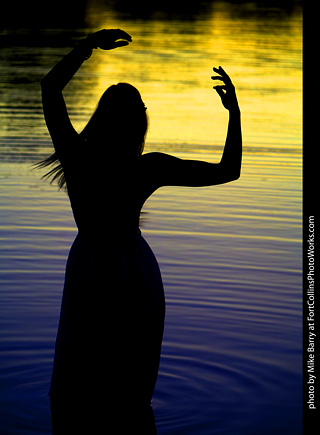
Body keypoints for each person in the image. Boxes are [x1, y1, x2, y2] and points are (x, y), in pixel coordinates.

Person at [38, 29, 242, 434]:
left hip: (91, 263)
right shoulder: (146, 168)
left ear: (100, 117)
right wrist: (234, 113)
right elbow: (228, 171)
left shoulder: (77, 157)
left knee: (80, 372)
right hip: (134, 268)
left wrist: (87, 46)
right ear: (138, 123)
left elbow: (49, 88)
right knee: (130, 378)